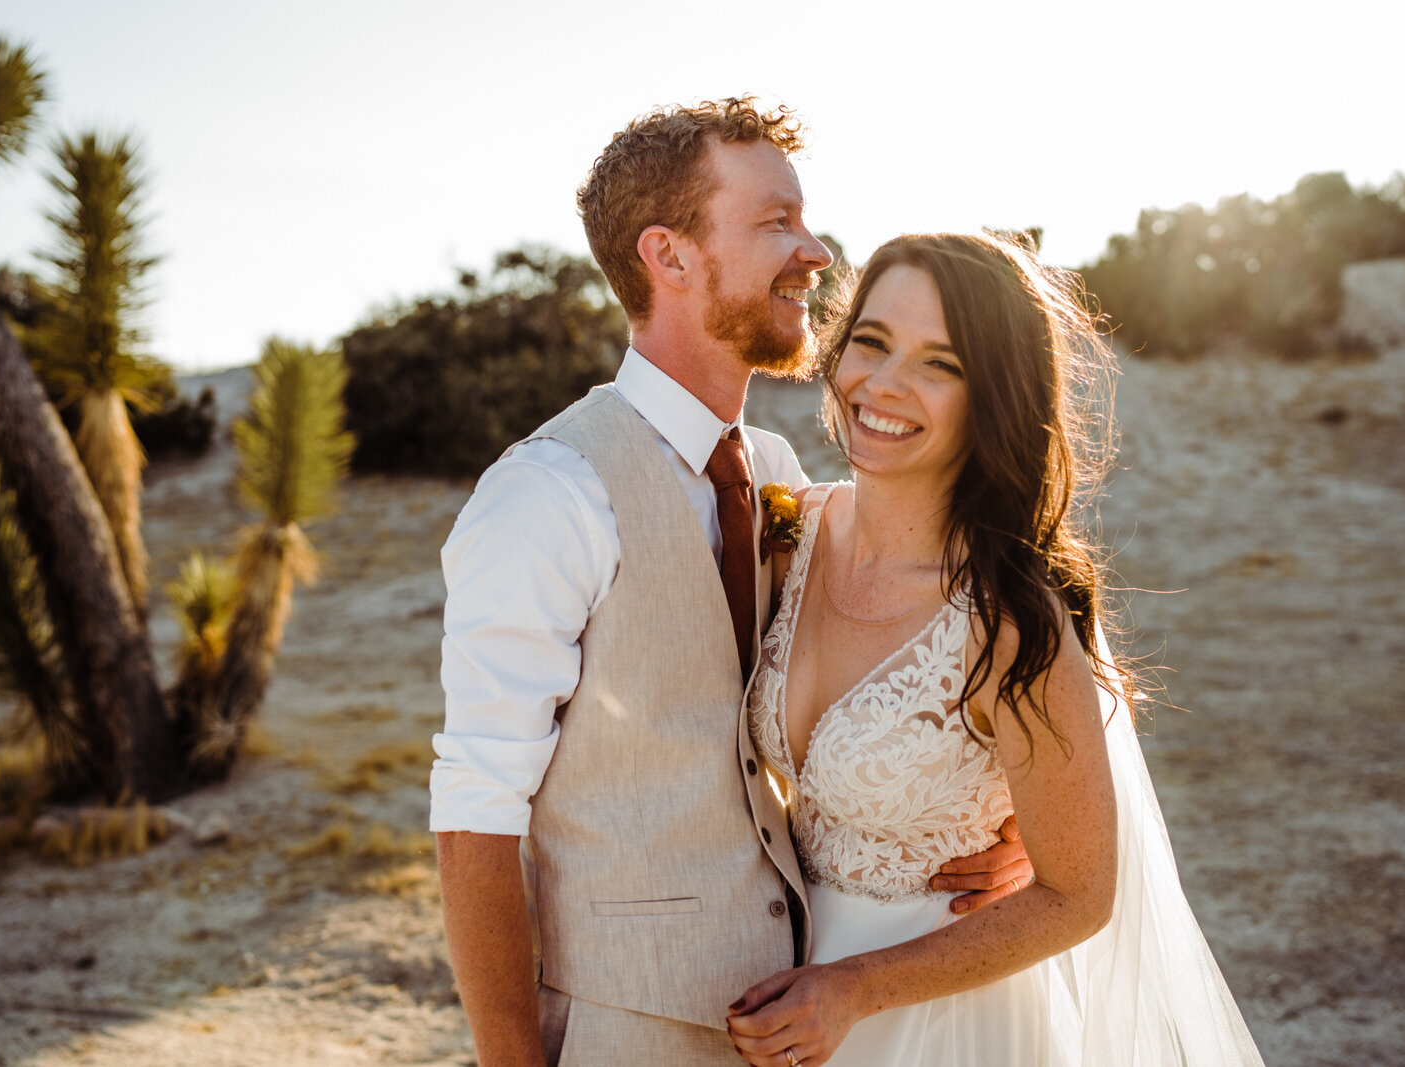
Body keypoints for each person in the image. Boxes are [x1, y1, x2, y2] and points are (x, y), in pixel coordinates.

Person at [430, 101, 1033, 1066]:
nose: (816, 250)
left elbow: (943, 631)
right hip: (622, 1024)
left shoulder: (782, 473)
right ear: (669, 256)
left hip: (807, 1014)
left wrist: (1010, 820)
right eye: (774, 223)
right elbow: (474, 818)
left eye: (804, 219)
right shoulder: (548, 493)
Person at [726, 232, 1267, 1066]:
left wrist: (857, 987)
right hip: (789, 999)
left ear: (993, 397)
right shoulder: (790, 534)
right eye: (871, 342)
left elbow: (1079, 893)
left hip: (945, 1022)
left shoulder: (1010, 622)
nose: (884, 383)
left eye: (940, 364)